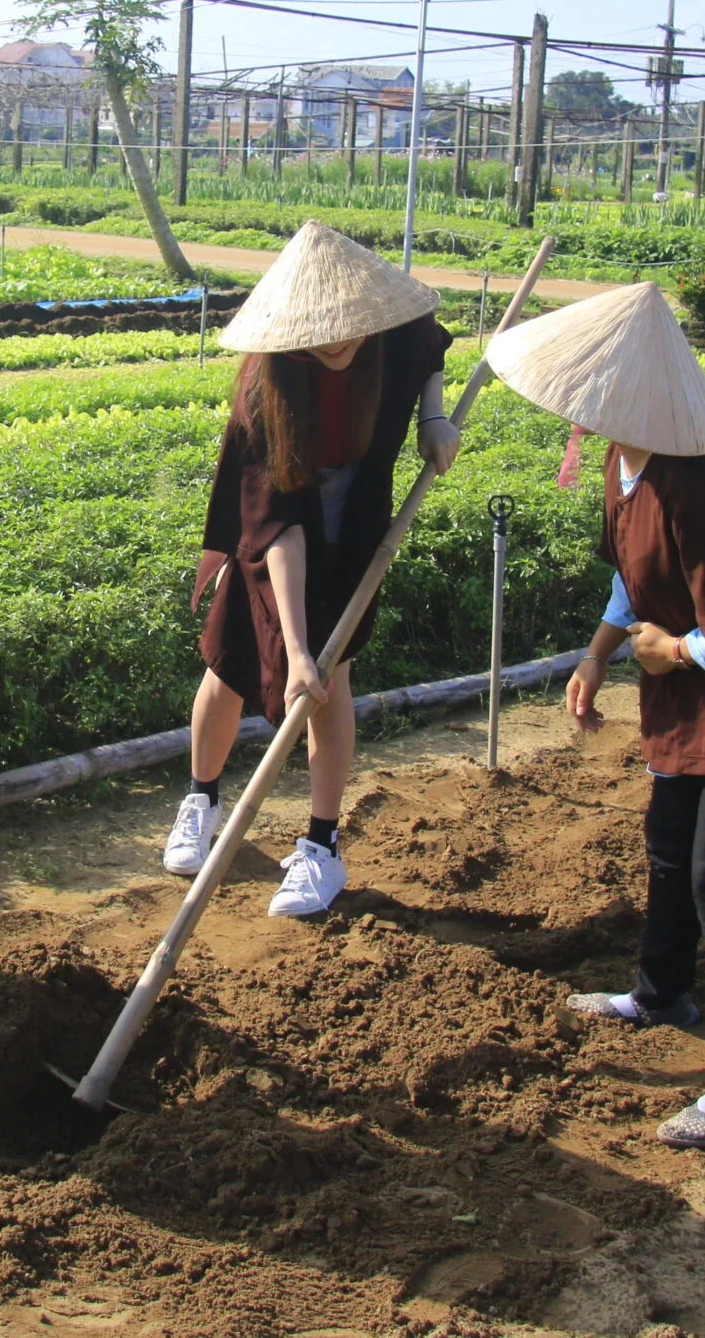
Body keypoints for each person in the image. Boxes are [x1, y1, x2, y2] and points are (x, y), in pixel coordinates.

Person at [485, 282, 705, 1149]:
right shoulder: (626, 465)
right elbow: (632, 576)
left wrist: (672, 650)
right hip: (688, 690)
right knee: (669, 846)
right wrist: (598, 652)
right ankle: (661, 992)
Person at [163, 221, 459, 916]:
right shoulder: (266, 386)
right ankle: (201, 801)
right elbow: (280, 524)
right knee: (229, 661)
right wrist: (296, 651)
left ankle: (322, 847)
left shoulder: (391, 332)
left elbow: (432, 345)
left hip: (355, 520)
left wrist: (433, 418)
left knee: (332, 677)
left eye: (346, 328)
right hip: (276, 529)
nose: (335, 342)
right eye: (319, 332)